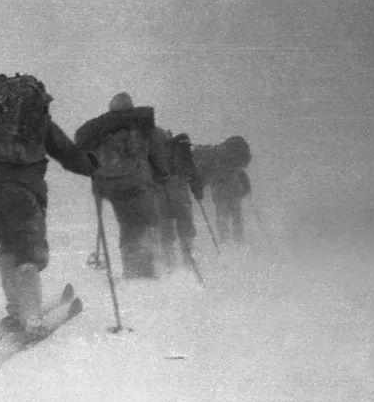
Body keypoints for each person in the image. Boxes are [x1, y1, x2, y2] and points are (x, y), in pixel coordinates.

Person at [0, 77, 95, 342]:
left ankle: (16, 310)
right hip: (23, 193)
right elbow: (68, 154)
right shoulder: (36, 123)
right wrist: (93, 165)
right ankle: (32, 318)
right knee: (28, 250)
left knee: (9, 247)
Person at [76, 92, 169, 279]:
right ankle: (146, 268)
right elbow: (158, 158)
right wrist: (163, 175)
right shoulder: (145, 128)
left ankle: (131, 268)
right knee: (147, 222)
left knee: (127, 225)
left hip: (111, 189)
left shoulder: (101, 129)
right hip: (137, 185)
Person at [153, 131, 203, 271]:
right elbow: (192, 172)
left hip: (160, 193)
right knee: (185, 226)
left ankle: (169, 262)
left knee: (165, 228)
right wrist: (197, 190)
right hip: (179, 192)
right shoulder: (181, 150)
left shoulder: (151, 153)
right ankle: (189, 260)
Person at [210, 167, 251, 244]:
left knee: (227, 219)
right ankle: (234, 238)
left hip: (226, 198)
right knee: (233, 219)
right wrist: (243, 192)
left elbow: (213, 185)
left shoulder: (218, 170)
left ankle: (230, 239)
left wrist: (215, 197)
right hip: (229, 197)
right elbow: (246, 184)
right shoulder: (236, 169)